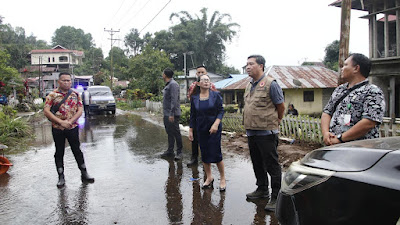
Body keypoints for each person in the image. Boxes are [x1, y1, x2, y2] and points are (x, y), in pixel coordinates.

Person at [243, 55, 285, 211]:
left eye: (251, 64)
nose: (247, 67)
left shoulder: (271, 84)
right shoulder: (249, 85)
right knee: (257, 162)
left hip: (267, 132)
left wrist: (277, 121)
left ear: (260, 66)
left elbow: (280, 106)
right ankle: (262, 189)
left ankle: (276, 197)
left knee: (272, 165)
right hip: (251, 132)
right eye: (246, 64)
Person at [321, 53, 385, 146]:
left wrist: (340, 138)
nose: (342, 69)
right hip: (334, 147)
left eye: (346, 65)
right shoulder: (340, 89)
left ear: (356, 68)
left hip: (358, 150)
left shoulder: (373, 91)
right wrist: (326, 134)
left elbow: (369, 122)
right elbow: (327, 112)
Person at [44, 72, 94, 188]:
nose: (66, 82)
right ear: (59, 82)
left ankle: (84, 174)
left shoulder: (75, 94)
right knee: (59, 151)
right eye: (64, 80)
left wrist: (70, 122)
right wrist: (61, 122)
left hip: (72, 128)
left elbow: (80, 110)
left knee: (77, 150)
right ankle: (61, 177)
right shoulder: (52, 95)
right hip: (57, 128)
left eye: (68, 80)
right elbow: (46, 111)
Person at [189, 74, 226, 191]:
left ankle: (223, 178)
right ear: (198, 84)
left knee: (216, 153)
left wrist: (216, 124)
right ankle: (209, 177)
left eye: (208, 80)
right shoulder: (194, 98)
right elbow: (193, 115)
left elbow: (221, 111)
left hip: (214, 129)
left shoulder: (216, 95)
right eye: (203, 80)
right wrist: (191, 130)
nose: (206, 82)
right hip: (201, 128)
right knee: (204, 153)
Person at [186, 65, 217, 166]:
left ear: (206, 73)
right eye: (198, 73)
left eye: (202, 72)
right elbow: (191, 101)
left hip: (208, 118)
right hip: (197, 117)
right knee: (194, 139)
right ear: (196, 74)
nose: (200, 74)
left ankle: (207, 161)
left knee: (207, 141)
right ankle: (194, 158)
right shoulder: (193, 86)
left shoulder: (211, 86)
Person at [160, 68, 184, 160]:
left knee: (176, 133)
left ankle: (179, 152)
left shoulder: (173, 85)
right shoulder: (168, 85)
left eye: (163, 74)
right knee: (169, 132)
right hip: (167, 114)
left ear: (165, 75)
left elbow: (174, 100)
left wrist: (171, 114)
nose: (162, 75)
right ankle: (170, 151)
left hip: (172, 114)